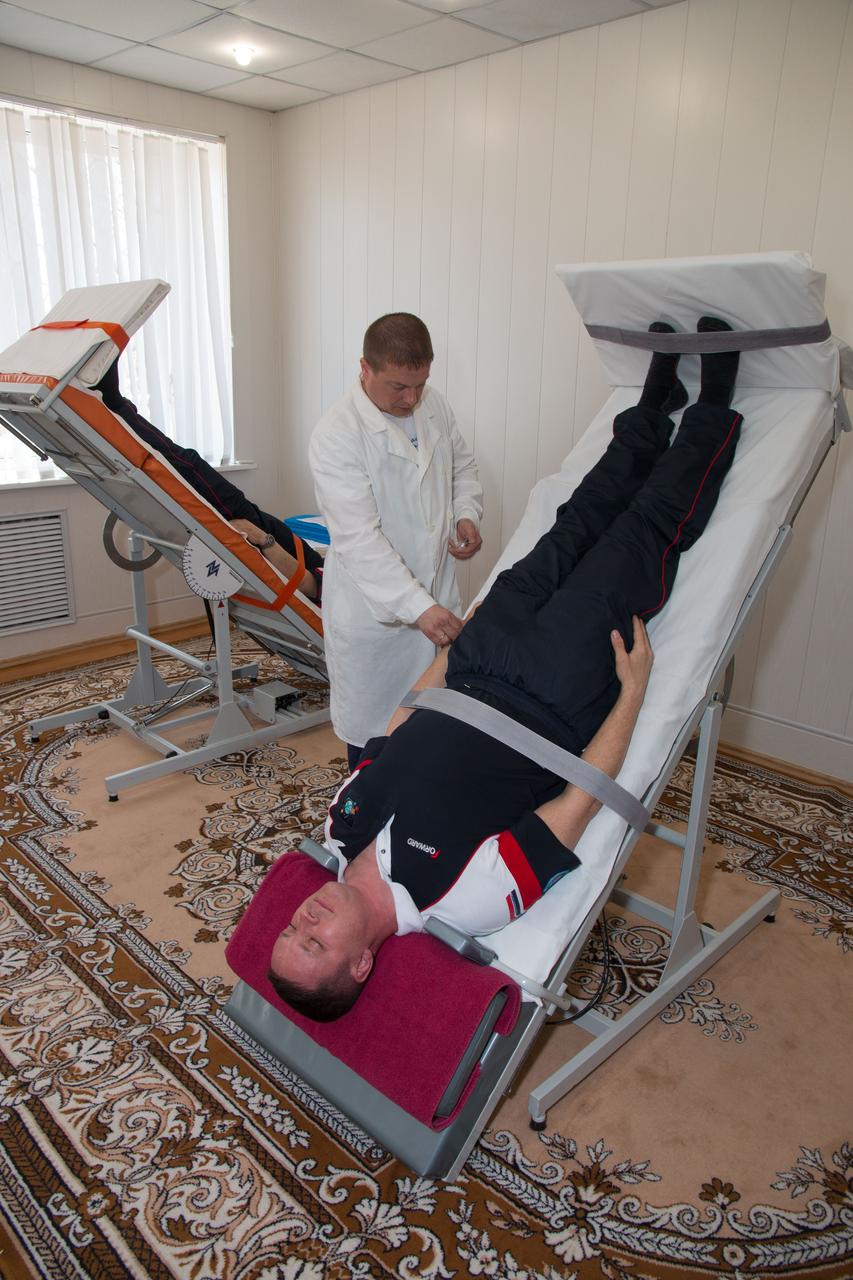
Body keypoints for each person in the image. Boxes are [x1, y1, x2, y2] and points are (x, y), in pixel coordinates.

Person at [272, 318, 742, 1022]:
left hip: (476, 657)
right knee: (644, 529)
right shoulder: (459, 900)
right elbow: (575, 805)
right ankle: (712, 402)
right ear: (361, 961)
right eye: (313, 945)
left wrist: (450, 653)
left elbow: (397, 726)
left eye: (288, 931)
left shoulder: (341, 826)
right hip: (555, 691)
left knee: (576, 517)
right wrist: (632, 693)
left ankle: (653, 400)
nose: (302, 920)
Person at [309, 314, 483, 769]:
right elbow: (359, 539)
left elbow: (462, 467)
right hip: (376, 619)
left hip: (436, 595)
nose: (412, 398)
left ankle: (417, 828)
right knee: (373, 739)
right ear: (364, 368)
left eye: (420, 384)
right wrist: (416, 606)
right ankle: (361, 823)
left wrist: (465, 513)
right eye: (398, 387)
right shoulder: (336, 435)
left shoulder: (434, 406)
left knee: (432, 728)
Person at [93, 359, 324, 599]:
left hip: (258, 534)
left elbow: (311, 585)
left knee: (188, 469)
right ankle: (114, 403)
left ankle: (114, 402)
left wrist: (261, 538)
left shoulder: (349, 597)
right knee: (186, 469)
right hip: (277, 539)